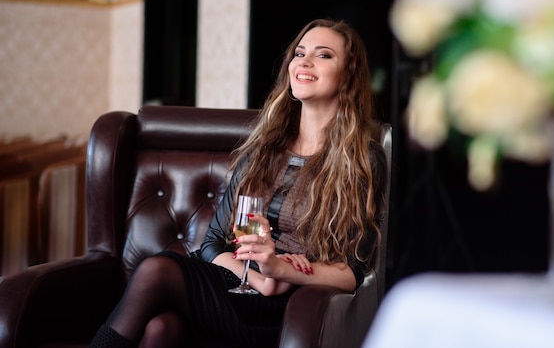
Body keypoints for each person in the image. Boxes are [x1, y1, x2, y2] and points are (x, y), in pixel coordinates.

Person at [89, 18, 388, 348]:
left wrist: (281, 271)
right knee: (162, 329)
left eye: (324, 55)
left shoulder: (361, 160)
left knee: (157, 271)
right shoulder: (264, 153)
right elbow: (214, 244)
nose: (304, 61)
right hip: (240, 286)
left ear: (348, 74)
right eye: (300, 53)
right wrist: (262, 278)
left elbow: (353, 273)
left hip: (289, 306)